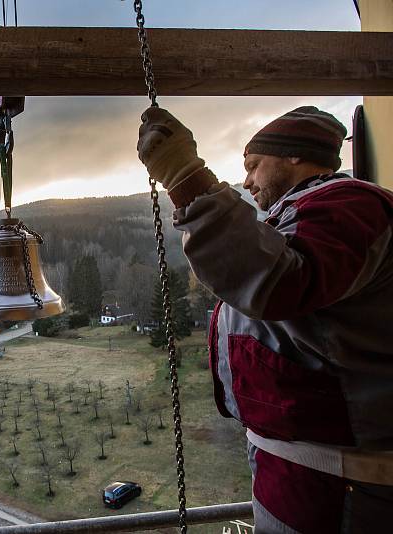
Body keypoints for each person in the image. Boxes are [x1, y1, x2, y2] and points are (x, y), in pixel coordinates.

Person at [137, 105, 393, 532]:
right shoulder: (305, 214)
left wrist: (186, 180)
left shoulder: (350, 205)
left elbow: (278, 283)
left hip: (342, 485)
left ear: (294, 156)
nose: (248, 180)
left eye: (254, 165)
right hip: (308, 472)